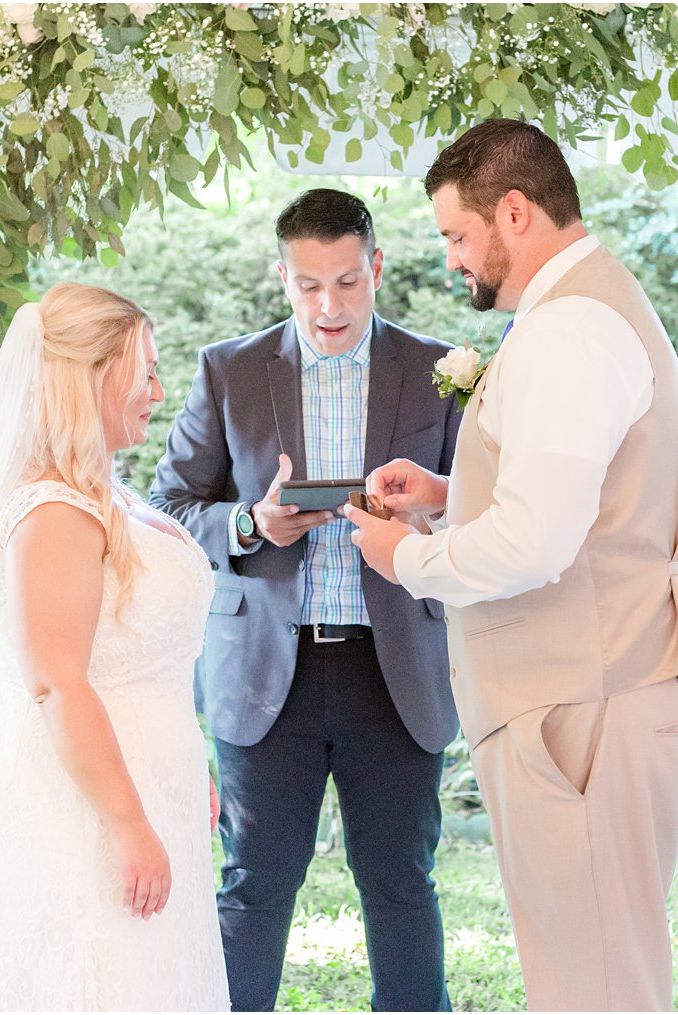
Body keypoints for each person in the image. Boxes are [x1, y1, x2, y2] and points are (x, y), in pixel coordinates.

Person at [345, 120, 678, 1012]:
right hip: (599, 687)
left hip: (584, 703)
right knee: (595, 969)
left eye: (455, 235)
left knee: (593, 986)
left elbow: (538, 540)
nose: (450, 260)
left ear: (513, 212)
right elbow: (580, 501)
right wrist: (448, 492)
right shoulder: (586, 309)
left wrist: (411, 557)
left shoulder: (567, 330)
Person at [150, 188, 460, 1012]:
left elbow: (480, 507)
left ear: (377, 268)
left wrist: (427, 507)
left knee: (402, 886)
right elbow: (170, 508)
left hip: (393, 671)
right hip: (263, 678)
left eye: (349, 283)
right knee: (253, 890)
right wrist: (254, 525)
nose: (329, 306)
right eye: (309, 285)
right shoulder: (229, 370)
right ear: (280, 275)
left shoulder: (438, 372)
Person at [0, 282, 229, 1011]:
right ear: (93, 373)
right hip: (87, 812)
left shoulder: (110, 495)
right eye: (146, 370)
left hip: (150, 790)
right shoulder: (54, 512)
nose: (159, 390)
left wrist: (186, 773)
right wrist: (129, 821)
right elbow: (57, 683)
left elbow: (144, 660)